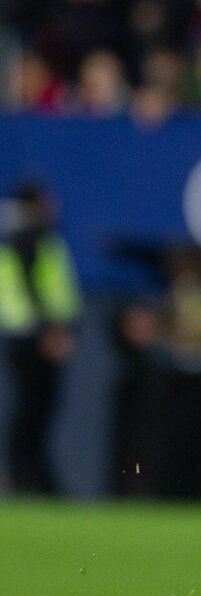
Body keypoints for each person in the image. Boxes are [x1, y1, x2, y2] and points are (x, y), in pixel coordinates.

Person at [0, 182, 79, 493]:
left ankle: (28, 479)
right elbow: (31, 285)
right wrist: (49, 330)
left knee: (32, 413)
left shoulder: (21, 235)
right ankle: (27, 479)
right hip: (33, 337)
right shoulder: (30, 235)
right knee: (32, 413)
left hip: (28, 335)